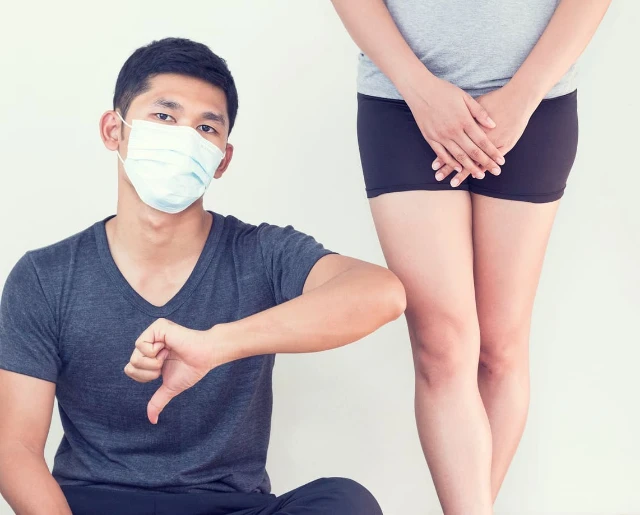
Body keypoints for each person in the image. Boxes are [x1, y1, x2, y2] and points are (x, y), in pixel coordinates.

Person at [0, 37, 405, 515]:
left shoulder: (261, 253)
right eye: (164, 116)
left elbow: (381, 293)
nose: (185, 138)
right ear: (114, 130)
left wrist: (216, 345)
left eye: (206, 127)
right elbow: (15, 447)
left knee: (344, 502)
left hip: (227, 506)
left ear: (223, 159)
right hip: (91, 504)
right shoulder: (46, 276)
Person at [330, 1, 611, 513]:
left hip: (534, 103)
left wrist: (523, 96)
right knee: (441, 346)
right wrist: (419, 90)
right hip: (403, 104)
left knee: (500, 350)